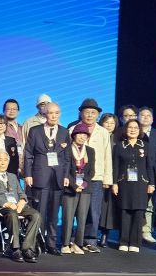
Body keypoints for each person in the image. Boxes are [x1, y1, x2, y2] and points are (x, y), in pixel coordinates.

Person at [24, 102, 69, 255]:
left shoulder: (64, 132)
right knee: (40, 212)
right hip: (39, 176)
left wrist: (66, 176)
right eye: (51, 113)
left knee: (54, 214)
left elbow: (67, 157)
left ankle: (51, 243)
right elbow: (28, 154)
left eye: (57, 113)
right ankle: (38, 242)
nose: (54, 116)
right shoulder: (35, 130)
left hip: (57, 178)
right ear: (45, 114)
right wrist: (28, 174)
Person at [68, 99, 112, 253]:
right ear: (81, 113)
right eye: (87, 112)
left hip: (96, 177)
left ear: (98, 115)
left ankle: (90, 240)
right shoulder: (72, 129)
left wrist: (107, 178)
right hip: (75, 177)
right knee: (74, 209)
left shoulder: (103, 132)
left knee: (94, 210)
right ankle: (71, 239)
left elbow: (107, 155)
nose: (90, 115)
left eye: (93, 113)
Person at [0, 150, 41, 263]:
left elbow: (21, 192)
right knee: (12, 214)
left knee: (36, 215)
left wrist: (22, 201)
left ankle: (27, 248)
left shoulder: (12, 176)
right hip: (1, 206)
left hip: (17, 204)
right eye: (0, 160)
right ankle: (15, 249)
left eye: (5, 160)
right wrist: (7, 203)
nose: (3, 163)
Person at [112, 119, 155, 253]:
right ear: (125, 129)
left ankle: (135, 242)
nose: (132, 130)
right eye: (130, 127)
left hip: (141, 183)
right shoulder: (119, 146)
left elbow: (150, 166)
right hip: (124, 183)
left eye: (136, 128)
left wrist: (152, 183)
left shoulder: (145, 145)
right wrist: (114, 183)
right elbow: (115, 166)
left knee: (138, 212)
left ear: (139, 130)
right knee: (124, 211)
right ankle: (123, 241)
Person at [61, 123, 95, 255]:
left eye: (85, 135)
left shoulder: (90, 151)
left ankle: (77, 244)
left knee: (82, 218)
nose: (82, 137)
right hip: (70, 188)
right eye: (79, 134)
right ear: (74, 135)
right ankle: (65, 243)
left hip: (85, 189)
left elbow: (91, 171)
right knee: (68, 217)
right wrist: (74, 185)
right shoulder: (67, 149)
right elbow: (65, 170)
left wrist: (84, 184)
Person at [138, 106, 156, 243]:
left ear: (152, 119)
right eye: (142, 115)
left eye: (148, 115)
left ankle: (146, 230)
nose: (145, 117)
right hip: (135, 174)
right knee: (135, 203)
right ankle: (133, 231)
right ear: (138, 117)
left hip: (154, 174)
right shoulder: (133, 131)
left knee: (150, 204)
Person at [98, 113, 120, 247]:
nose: (109, 125)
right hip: (98, 175)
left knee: (108, 208)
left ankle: (105, 235)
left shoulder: (119, 138)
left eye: (112, 123)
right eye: (107, 122)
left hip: (113, 177)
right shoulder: (97, 135)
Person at [2, 98, 24, 174]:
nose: (12, 111)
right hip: (7, 165)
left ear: (18, 111)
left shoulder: (22, 128)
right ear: (3, 111)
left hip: (22, 165)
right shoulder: (0, 127)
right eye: (9, 109)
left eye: (14, 109)